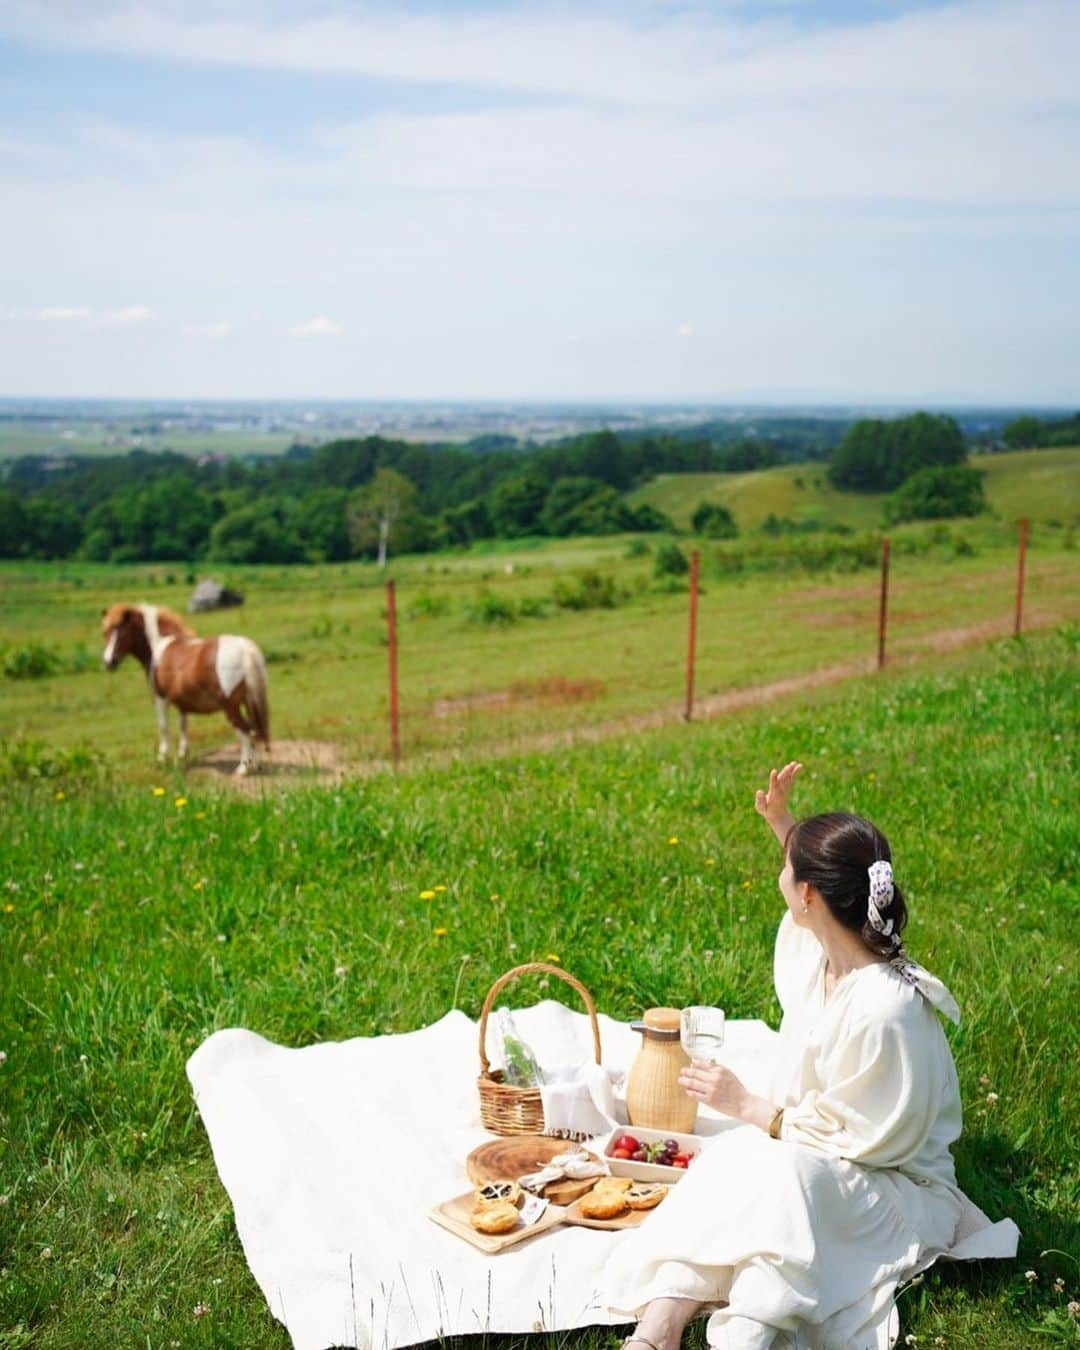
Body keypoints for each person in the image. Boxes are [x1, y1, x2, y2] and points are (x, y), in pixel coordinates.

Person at [602, 761, 968, 1350]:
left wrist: (750, 1105)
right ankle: (658, 1328)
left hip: (894, 1188)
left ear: (809, 895)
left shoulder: (886, 1008)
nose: (782, 876)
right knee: (732, 1165)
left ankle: (745, 1334)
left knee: (781, 1184)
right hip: (813, 1157)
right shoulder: (825, 950)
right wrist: (785, 826)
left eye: (789, 869)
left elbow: (872, 1143)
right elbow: (818, 897)